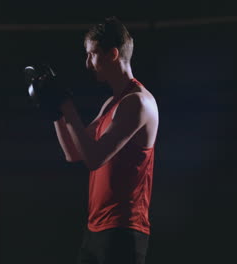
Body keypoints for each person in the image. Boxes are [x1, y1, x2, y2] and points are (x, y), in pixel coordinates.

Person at [30, 17, 158, 263]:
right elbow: (74, 153)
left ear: (112, 54)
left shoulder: (138, 102)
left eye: (92, 54)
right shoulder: (111, 103)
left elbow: (94, 158)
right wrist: (56, 112)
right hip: (95, 229)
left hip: (123, 231)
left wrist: (67, 106)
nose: (87, 63)